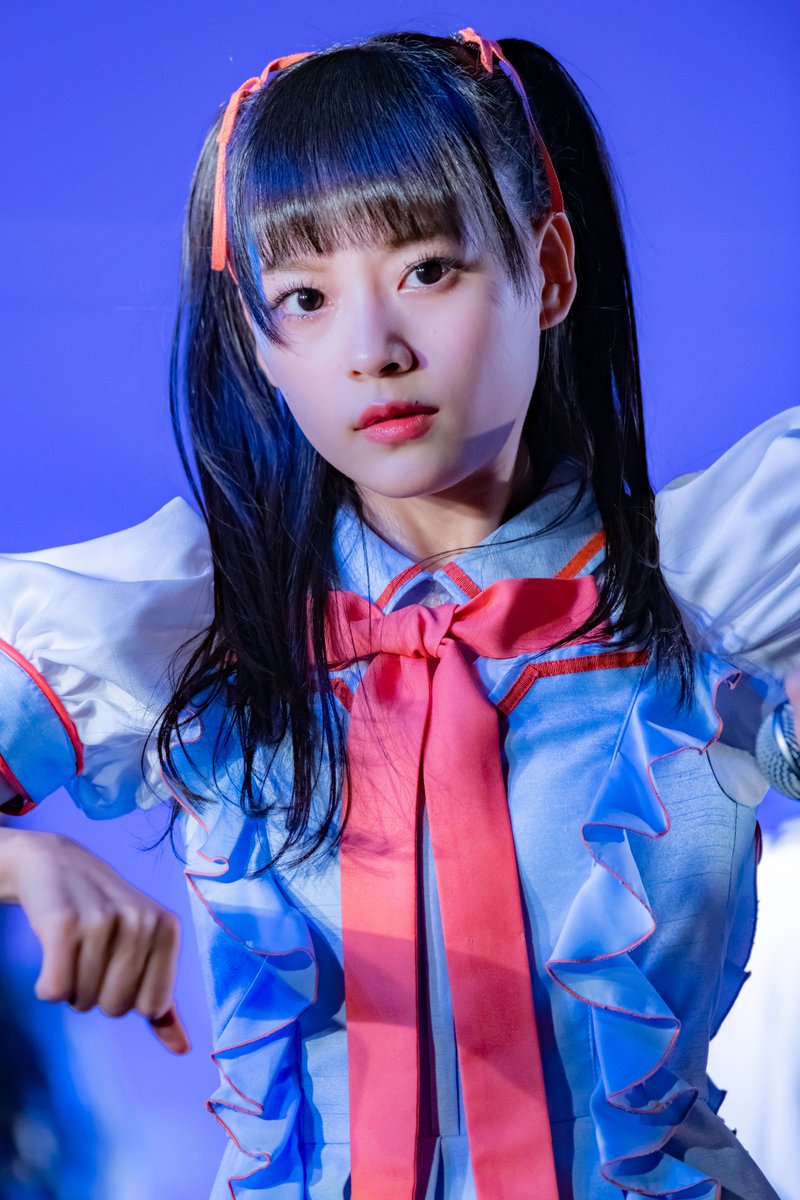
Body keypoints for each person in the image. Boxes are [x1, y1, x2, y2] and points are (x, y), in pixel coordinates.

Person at [0, 28, 798, 1200]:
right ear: (260, 349)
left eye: (426, 270)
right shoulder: (194, 619)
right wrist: (20, 858)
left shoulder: (712, 579)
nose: (371, 350)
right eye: (304, 298)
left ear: (548, 270)